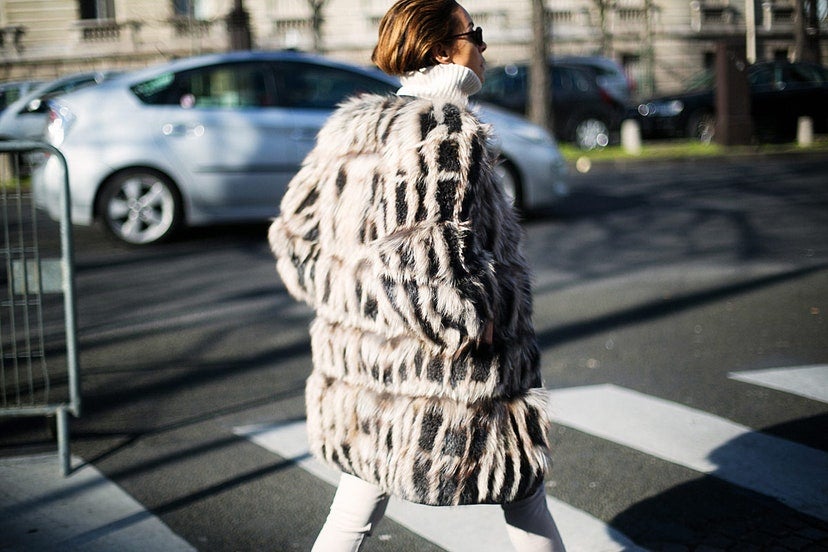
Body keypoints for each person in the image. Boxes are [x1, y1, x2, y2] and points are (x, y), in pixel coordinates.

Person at [268, 0, 566, 550]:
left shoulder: (355, 126)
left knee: (353, 511)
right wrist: (473, 321)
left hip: (369, 368)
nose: (483, 45)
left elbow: (295, 234)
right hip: (449, 368)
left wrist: (352, 303)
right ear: (441, 50)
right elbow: (424, 255)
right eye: (473, 32)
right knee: (523, 492)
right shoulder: (443, 128)